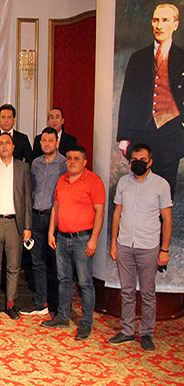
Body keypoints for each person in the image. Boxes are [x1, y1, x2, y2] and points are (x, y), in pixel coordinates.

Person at [109, 144, 172, 351]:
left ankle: (146, 333)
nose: (138, 163)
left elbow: (167, 218)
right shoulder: (123, 183)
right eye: (134, 159)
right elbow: (117, 213)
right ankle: (127, 330)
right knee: (127, 291)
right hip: (125, 244)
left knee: (147, 293)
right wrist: (113, 243)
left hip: (149, 246)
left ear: (150, 162)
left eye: (142, 160)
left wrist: (164, 249)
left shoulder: (161, 184)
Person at [117, 3, 184, 198]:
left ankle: (163, 220)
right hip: (142, 132)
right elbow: (127, 98)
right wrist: (124, 136)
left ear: (175, 25)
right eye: (155, 20)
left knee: (166, 190)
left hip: (171, 132)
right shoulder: (138, 58)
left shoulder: (182, 58)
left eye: (165, 20)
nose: (159, 25)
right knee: (140, 188)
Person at [42, 146, 105, 340]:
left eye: (76, 159)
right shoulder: (62, 180)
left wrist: (94, 239)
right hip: (62, 238)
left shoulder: (94, 181)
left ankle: (86, 323)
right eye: (69, 158)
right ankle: (62, 316)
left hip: (83, 239)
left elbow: (100, 212)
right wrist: (51, 232)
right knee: (63, 279)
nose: (71, 162)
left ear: (85, 162)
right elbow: (56, 207)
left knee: (85, 283)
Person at [0, 133, 32, 320]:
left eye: (7, 143)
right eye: (0, 143)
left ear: (13, 146)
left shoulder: (23, 168)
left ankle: (10, 304)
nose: (4, 146)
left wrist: (27, 227)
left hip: (15, 224)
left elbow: (27, 199)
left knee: (13, 266)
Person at [22, 127, 67, 317]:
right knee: (37, 262)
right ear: (40, 143)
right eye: (44, 141)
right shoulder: (35, 163)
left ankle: (59, 306)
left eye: (51, 140)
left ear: (57, 142)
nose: (47, 144)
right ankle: (41, 303)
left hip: (55, 218)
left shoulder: (64, 164)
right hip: (36, 217)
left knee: (58, 264)